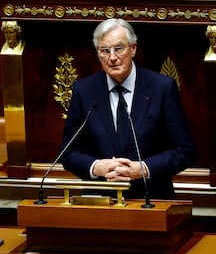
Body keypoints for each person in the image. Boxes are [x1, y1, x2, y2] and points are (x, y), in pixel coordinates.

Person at [60, 18, 197, 199]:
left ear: (133, 49)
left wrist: (144, 168)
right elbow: (67, 153)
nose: (112, 57)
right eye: (104, 51)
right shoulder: (84, 91)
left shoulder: (161, 88)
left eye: (119, 48)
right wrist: (96, 167)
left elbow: (185, 151)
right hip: (100, 200)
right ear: (97, 54)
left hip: (152, 199)